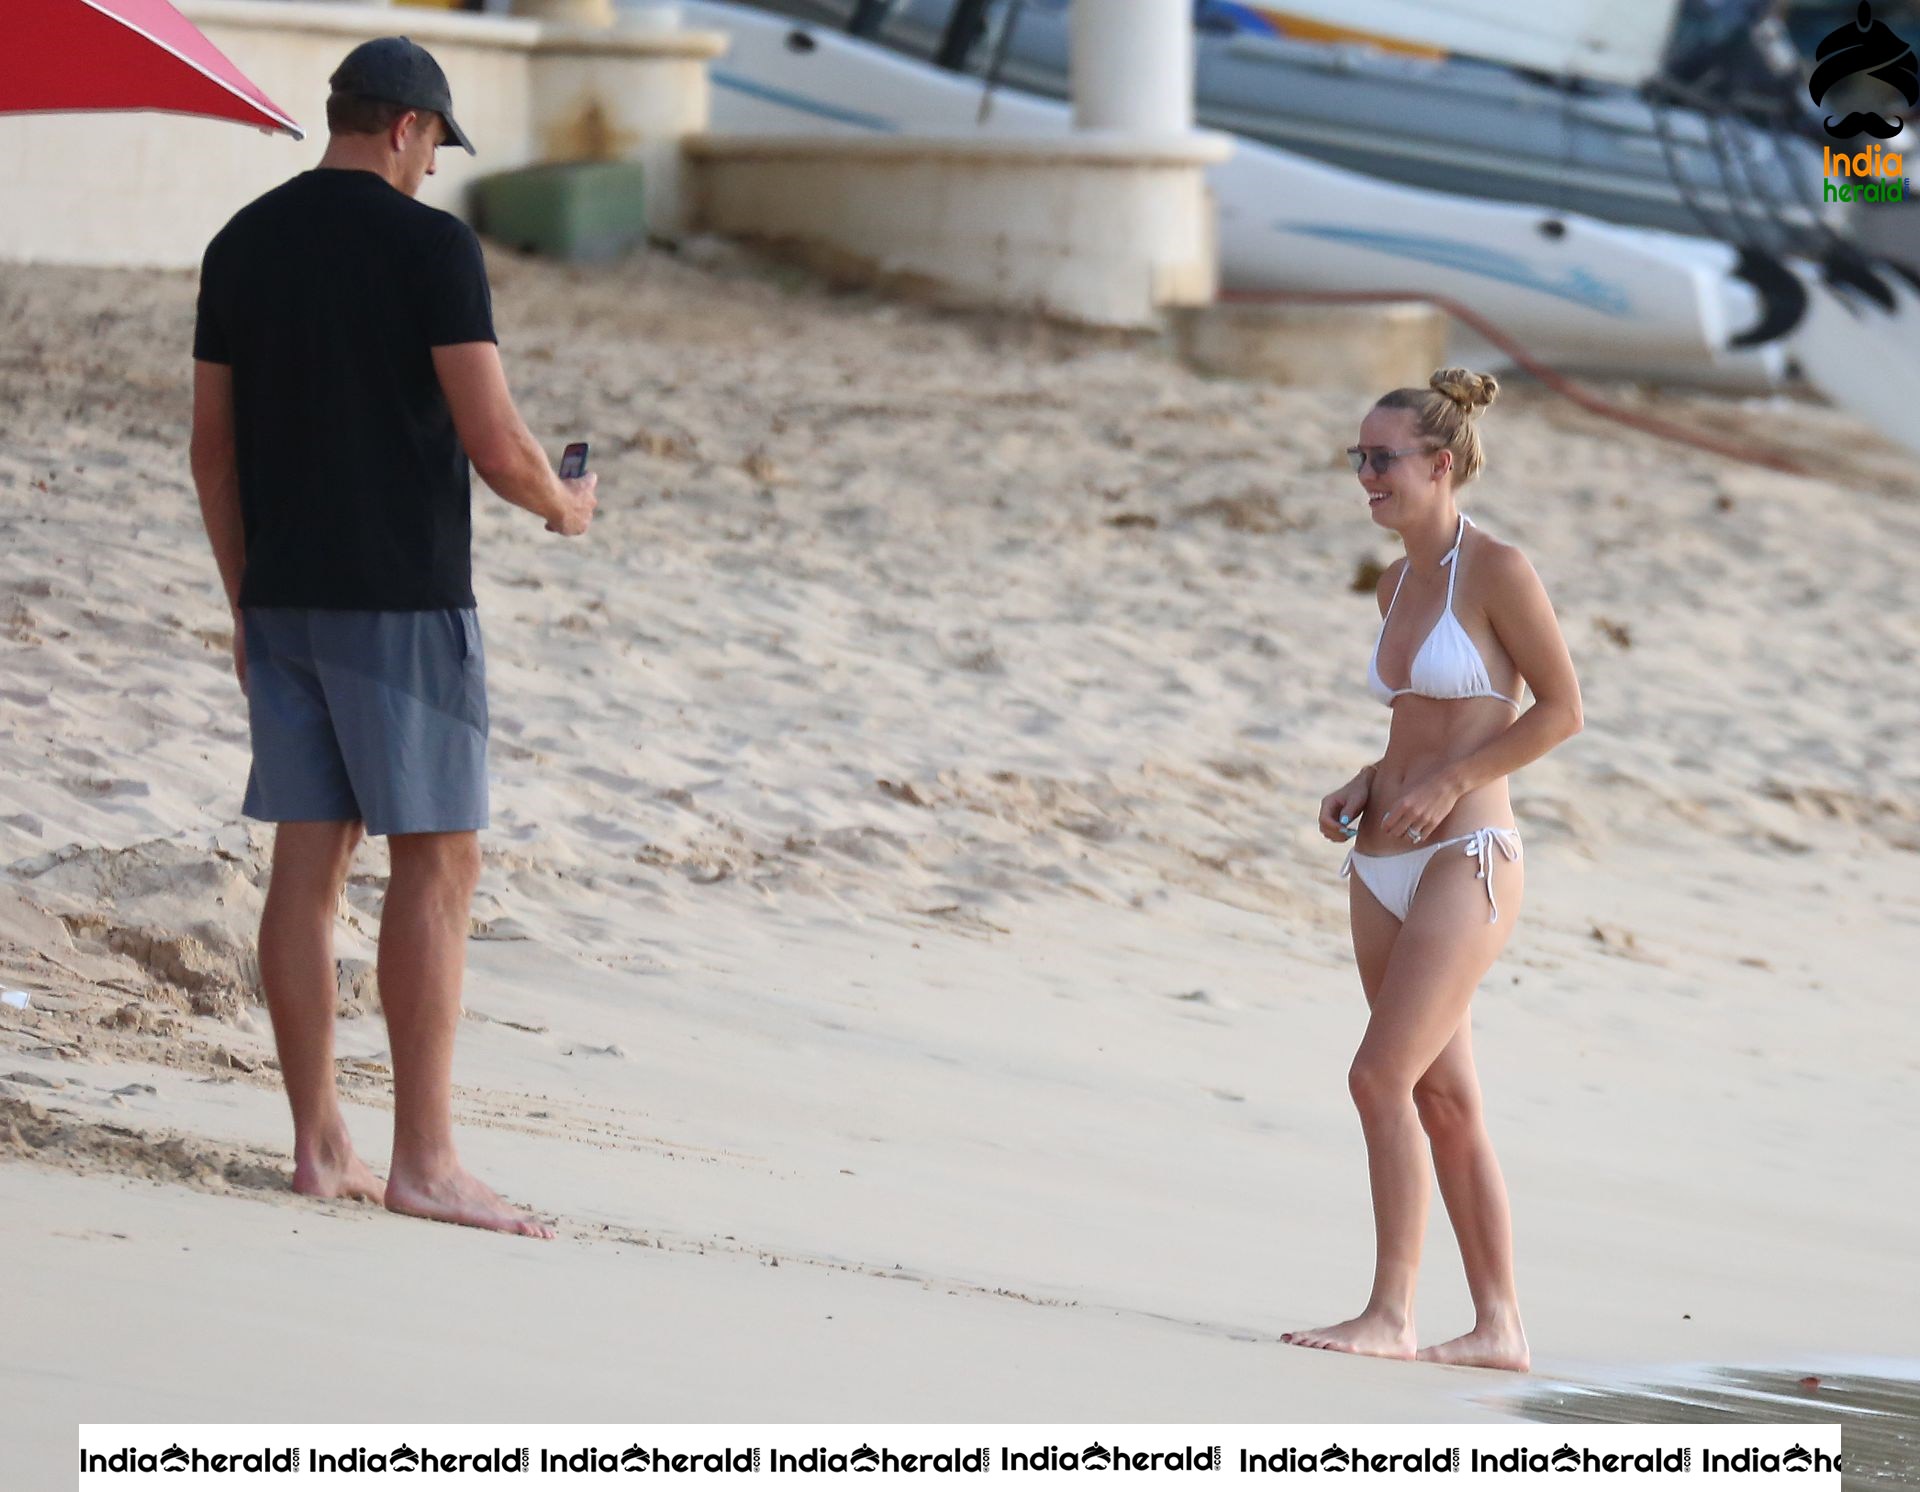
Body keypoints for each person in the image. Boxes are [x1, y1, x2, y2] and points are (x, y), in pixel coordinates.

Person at [189, 37, 598, 1238]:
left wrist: (243, 602)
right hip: (403, 602)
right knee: (436, 855)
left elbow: (211, 450)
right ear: (411, 129)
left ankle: (320, 1144)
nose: (431, 169)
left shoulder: (241, 242)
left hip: (285, 596)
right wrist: (564, 503)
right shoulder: (432, 246)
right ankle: (425, 1158)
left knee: (306, 863)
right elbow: (497, 440)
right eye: (434, 147)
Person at [1286, 368, 1583, 1368]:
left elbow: (1557, 709)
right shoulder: (1394, 580)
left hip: (1469, 856)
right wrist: (1370, 778)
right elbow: (1418, 718)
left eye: (1381, 459)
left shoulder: (1496, 569)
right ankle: (1499, 1326)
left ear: (1440, 464)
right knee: (1440, 1099)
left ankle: (1392, 1313)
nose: (1364, 476)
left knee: (1379, 1075)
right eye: (1356, 459)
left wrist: (1453, 782)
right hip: (1381, 861)